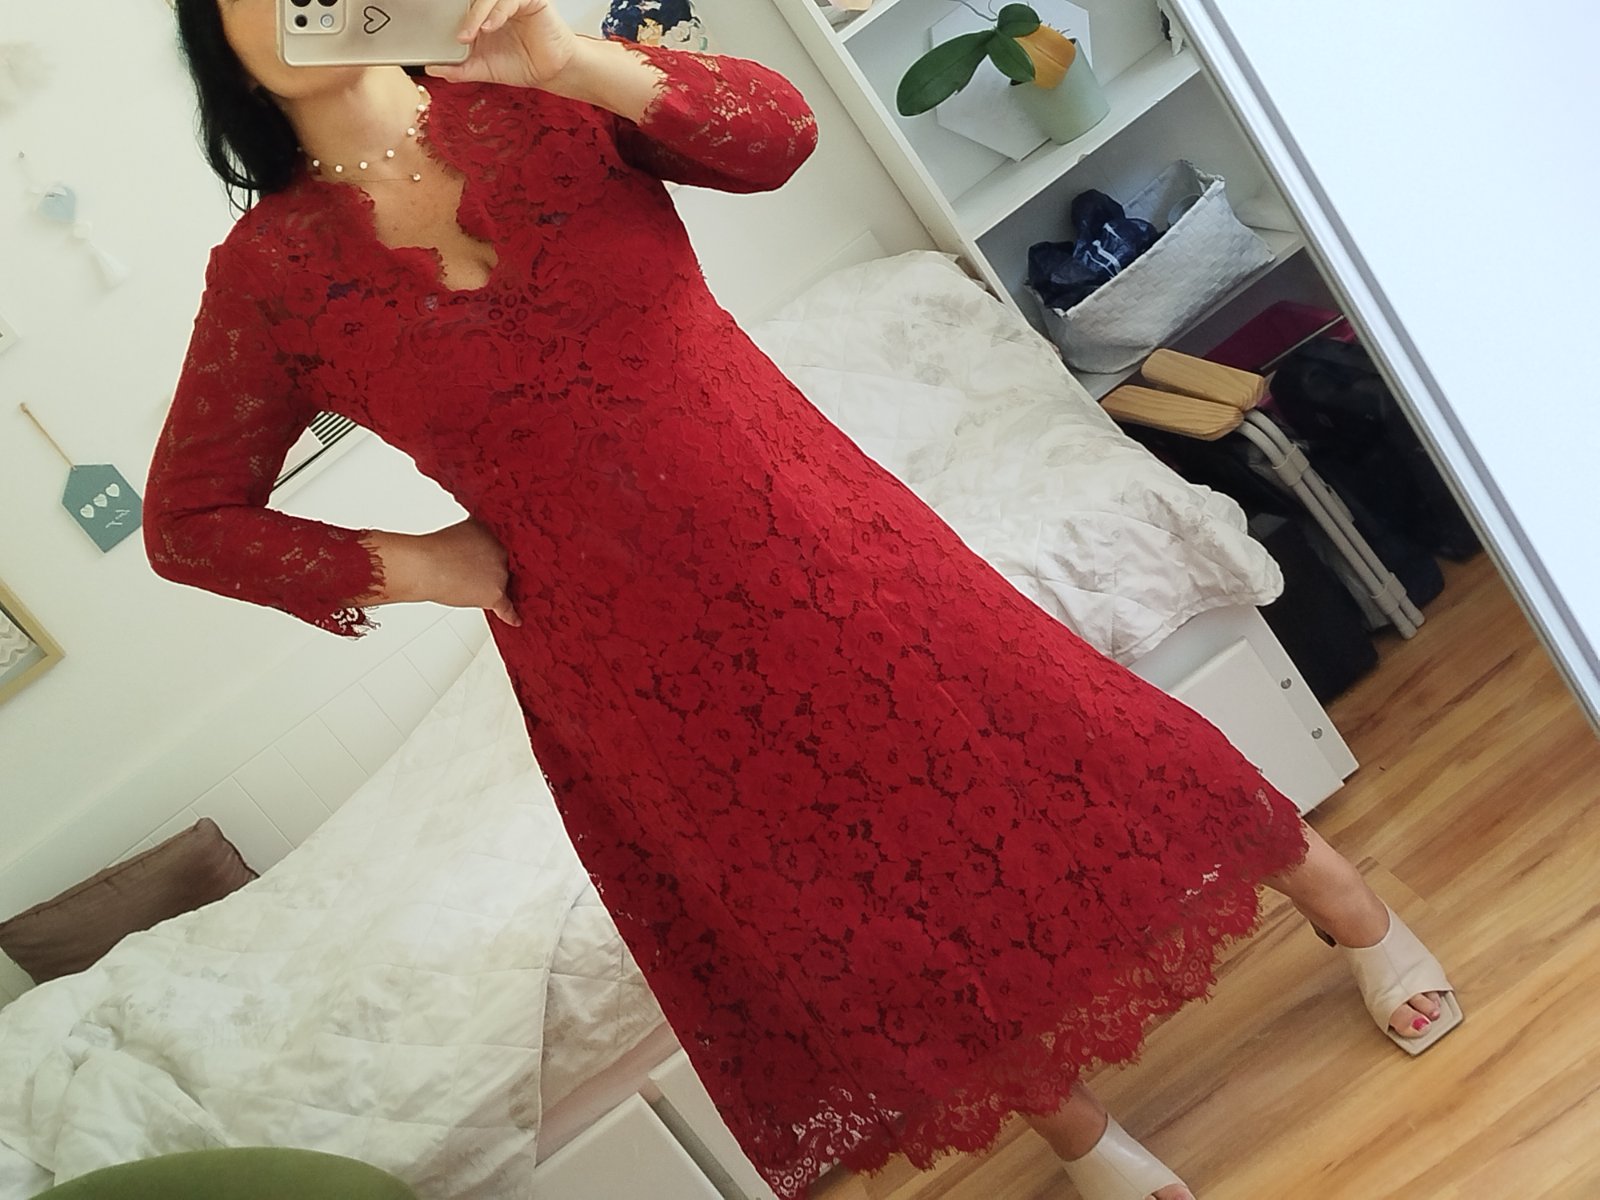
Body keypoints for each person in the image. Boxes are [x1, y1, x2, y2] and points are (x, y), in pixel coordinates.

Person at [145, 2, 1461, 1197]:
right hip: (625, 661)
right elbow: (190, 524)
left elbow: (776, 134)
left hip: (819, 534)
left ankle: (1353, 912)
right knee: (855, 902)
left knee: (1080, 732)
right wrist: (422, 566)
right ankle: (1083, 1140)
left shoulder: (540, 93)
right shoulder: (270, 277)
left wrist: (570, 59)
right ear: (219, 40)